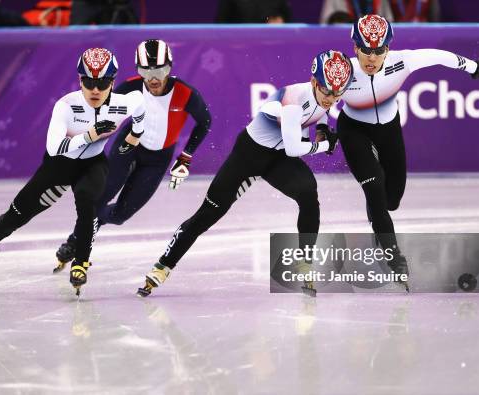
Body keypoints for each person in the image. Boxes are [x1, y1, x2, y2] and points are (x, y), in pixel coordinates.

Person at [136, 50, 354, 297]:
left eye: (338, 93)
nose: (331, 98)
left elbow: (319, 112)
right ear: (314, 82)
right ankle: (163, 264)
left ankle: (305, 263)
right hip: (249, 155)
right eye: (327, 91)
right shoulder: (292, 101)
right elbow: (295, 149)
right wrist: (327, 145)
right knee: (208, 214)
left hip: (278, 159)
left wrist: (323, 129)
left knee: (308, 194)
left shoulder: (323, 94)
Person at [0, 48, 146, 296]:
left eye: (103, 83)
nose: (95, 89)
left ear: (113, 82)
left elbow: (141, 108)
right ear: (79, 79)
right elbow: (55, 147)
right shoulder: (66, 106)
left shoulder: (125, 102)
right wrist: (90, 135)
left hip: (92, 164)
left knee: (87, 202)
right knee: (17, 214)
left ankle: (81, 261)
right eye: (89, 81)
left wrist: (135, 136)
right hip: (58, 166)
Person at [337, 14, 479, 290]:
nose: (372, 57)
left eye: (379, 50)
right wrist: (322, 130)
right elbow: (315, 93)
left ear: (388, 50)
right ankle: (394, 257)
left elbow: (439, 56)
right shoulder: (342, 70)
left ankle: (377, 205)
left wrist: (471, 66)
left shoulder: (402, 61)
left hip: (388, 130)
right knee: (375, 187)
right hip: (353, 130)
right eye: (365, 50)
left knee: (392, 200)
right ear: (355, 48)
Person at [53, 39, 211, 272]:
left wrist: (185, 157)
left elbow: (205, 122)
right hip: (128, 146)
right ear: (138, 70)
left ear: (170, 67)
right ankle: (75, 242)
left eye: (160, 70)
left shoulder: (186, 94)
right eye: (146, 71)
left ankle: (95, 222)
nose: (154, 78)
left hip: (158, 160)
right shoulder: (131, 87)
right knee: (99, 197)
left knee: (119, 215)